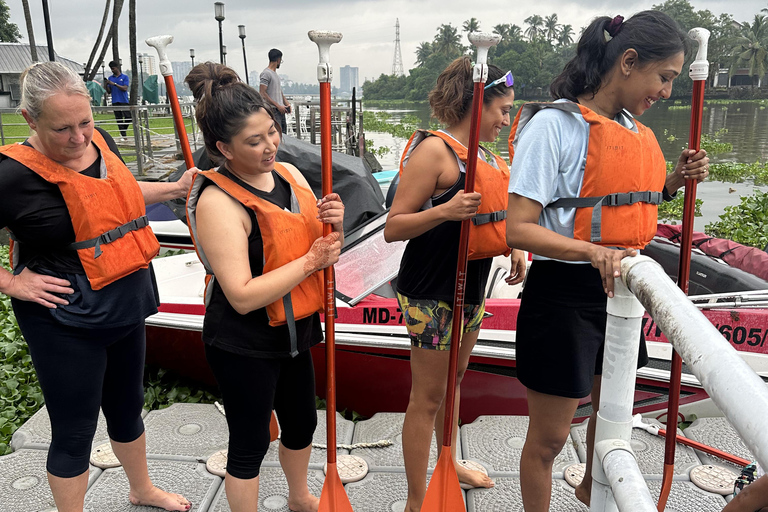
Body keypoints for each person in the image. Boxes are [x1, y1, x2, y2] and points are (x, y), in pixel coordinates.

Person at [504, 11, 710, 511]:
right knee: (550, 440)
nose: (666, 92)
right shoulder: (554, 126)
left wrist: (675, 181)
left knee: (612, 416)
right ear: (628, 61)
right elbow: (519, 227)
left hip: (620, 295)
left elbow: (618, 202)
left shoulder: (633, 131)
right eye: (664, 78)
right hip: (563, 297)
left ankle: (588, 488)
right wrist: (593, 252)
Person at [0, 61, 196, 512]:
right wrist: (11, 282)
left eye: (85, 122)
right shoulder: (10, 176)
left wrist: (170, 190)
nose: (78, 138)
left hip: (124, 301)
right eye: (62, 128)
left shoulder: (101, 142)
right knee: (74, 430)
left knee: (128, 408)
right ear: (31, 120)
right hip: (64, 319)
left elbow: (114, 195)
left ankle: (141, 489)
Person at [185, 62, 343, 512]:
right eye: (254, 141)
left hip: (294, 331)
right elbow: (241, 293)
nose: (270, 146)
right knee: (250, 441)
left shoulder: (290, 175)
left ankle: (298, 498)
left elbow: (324, 248)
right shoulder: (219, 201)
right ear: (223, 148)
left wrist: (335, 227)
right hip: (243, 341)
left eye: (271, 132)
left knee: (301, 426)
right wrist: (311, 260)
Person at [383, 57, 526, 512]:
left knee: (456, 379)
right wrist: (445, 211)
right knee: (426, 395)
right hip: (430, 291)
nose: (506, 120)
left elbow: (495, 218)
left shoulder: (485, 155)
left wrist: (514, 247)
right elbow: (395, 226)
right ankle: (413, 497)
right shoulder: (436, 152)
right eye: (502, 110)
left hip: (473, 286)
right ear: (477, 103)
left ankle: (448, 459)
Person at [259, 49, 291, 134]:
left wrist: (286, 104)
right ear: (278, 60)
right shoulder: (266, 73)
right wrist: (277, 106)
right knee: (277, 134)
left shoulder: (275, 75)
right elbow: (262, 93)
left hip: (281, 110)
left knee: (284, 135)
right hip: (273, 110)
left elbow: (279, 92)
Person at [105, 60, 130, 141]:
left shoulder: (124, 77)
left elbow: (125, 88)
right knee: (119, 118)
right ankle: (123, 135)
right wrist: (106, 84)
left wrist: (114, 84)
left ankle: (123, 131)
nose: (112, 70)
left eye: (113, 68)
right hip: (115, 101)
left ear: (117, 68)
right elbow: (109, 92)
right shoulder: (110, 78)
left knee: (128, 117)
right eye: (111, 69)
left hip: (124, 100)